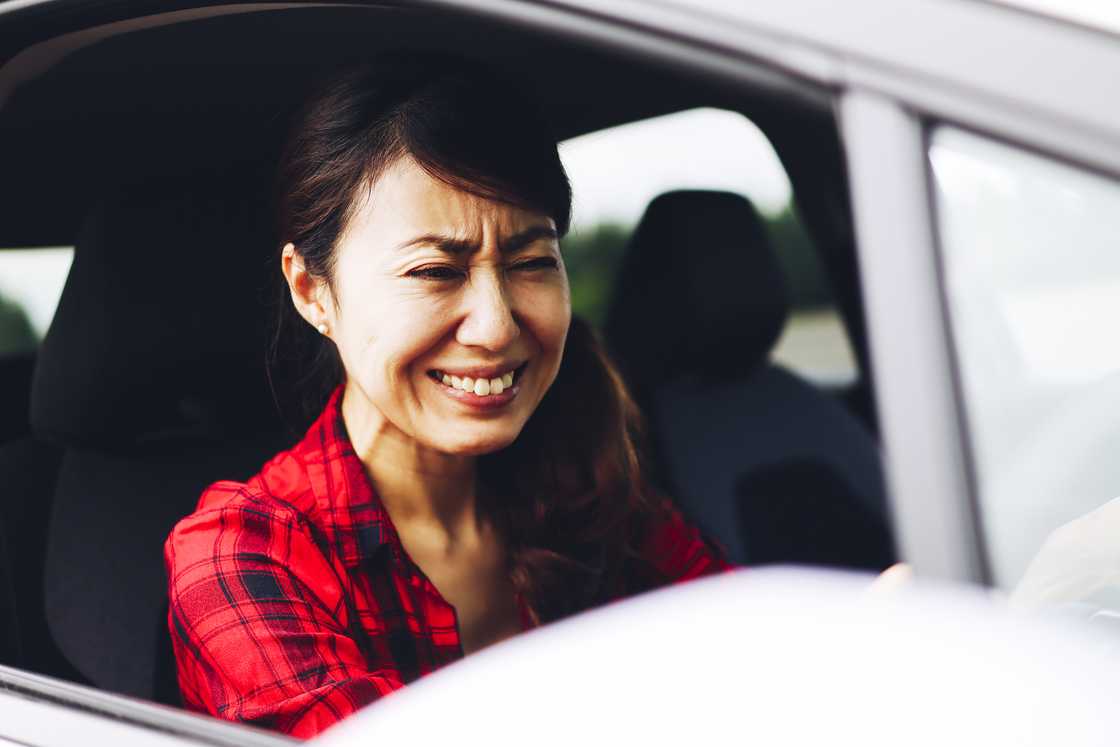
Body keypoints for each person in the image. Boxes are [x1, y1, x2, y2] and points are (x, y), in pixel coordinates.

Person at [163, 57, 729, 739]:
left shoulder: (592, 482)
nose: (495, 326)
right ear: (313, 292)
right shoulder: (243, 554)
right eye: (435, 271)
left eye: (531, 263)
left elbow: (760, 653)